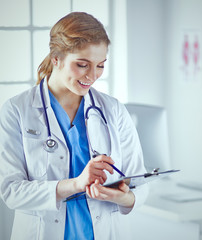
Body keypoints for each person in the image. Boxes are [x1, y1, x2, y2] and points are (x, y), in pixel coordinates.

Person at [0, 12, 148, 240]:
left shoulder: (113, 110)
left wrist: (120, 197)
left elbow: (138, 181)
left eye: (100, 65)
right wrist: (76, 184)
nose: (92, 75)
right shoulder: (16, 110)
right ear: (55, 58)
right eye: (82, 64)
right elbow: (11, 191)